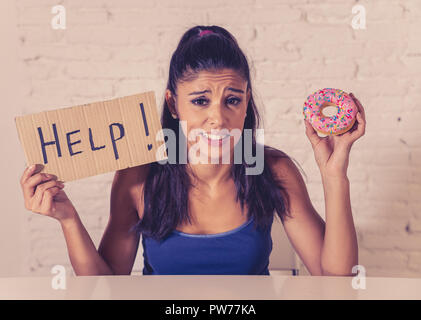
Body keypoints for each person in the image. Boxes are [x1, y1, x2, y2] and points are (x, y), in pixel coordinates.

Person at [19, 25, 366, 276]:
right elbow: (106, 287)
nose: (218, 118)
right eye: (200, 100)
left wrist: (334, 175)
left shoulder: (273, 170)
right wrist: (67, 218)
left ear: (246, 104)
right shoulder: (137, 178)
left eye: (233, 100)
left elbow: (336, 280)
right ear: (173, 104)